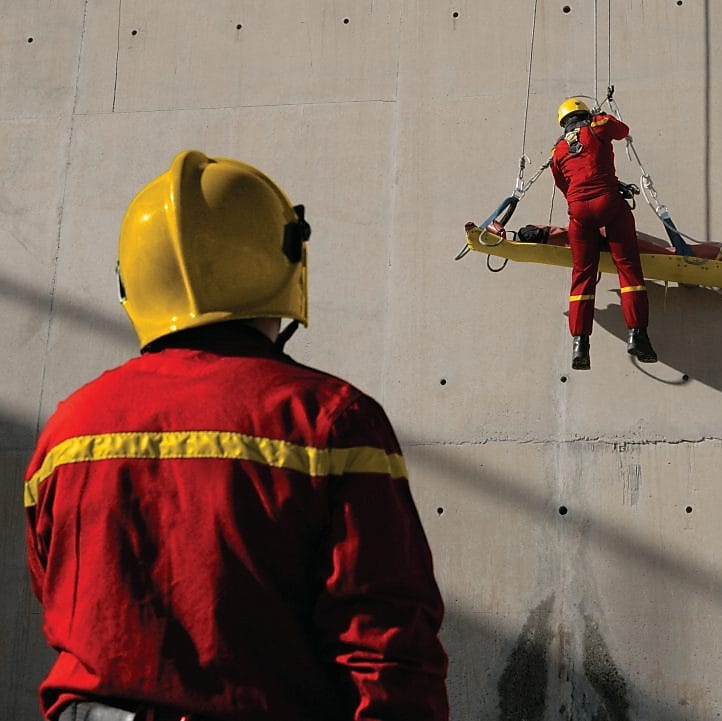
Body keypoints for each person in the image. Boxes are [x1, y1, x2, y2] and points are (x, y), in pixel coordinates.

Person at [23, 150, 449, 721]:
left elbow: (60, 602)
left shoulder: (67, 432)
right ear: (286, 258)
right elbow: (385, 648)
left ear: (133, 279)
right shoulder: (330, 422)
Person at [551, 97, 658, 370]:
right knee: (628, 267)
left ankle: (580, 344)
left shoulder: (558, 150)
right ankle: (638, 335)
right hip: (609, 203)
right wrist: (602, 115)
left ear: (563, 122)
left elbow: (564, 185)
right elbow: (623, 131)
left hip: (579, 212)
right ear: (585, 114)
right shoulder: (598, 126)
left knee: (582, 276)